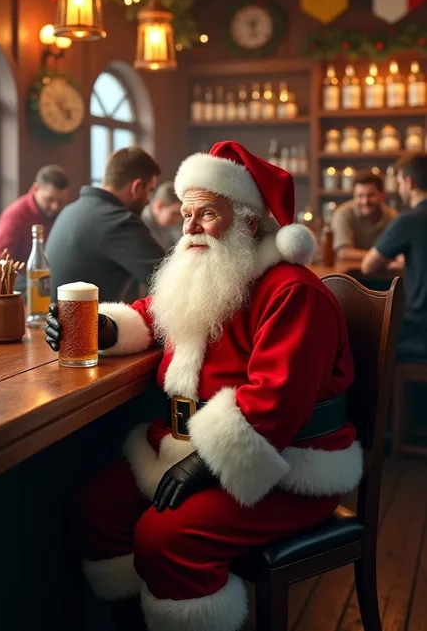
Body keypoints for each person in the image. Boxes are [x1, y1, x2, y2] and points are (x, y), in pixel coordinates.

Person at [45, 141, 362, 631]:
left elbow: (276, 402)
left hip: (289, 464)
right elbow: (153, 317)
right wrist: (103, 329)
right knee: (95, 509)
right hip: (189, 447)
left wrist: (206, 461)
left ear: (250, 222)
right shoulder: (211, 269)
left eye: (206, 214)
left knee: (164, 538)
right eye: (187, 213)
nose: (188, 228)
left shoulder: (293, 292)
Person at [46, 147, 165, 303]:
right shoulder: (119, 221)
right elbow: (171, 279)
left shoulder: (71, 210)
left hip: (53, 323)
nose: (149, 200)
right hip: (85, 325)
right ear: (136, 187)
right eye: (149, 190)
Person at [362, 153, 427, 359]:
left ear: (409, 183)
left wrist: (393, 260)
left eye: (399, 183)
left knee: (362, 339)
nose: (399, 190)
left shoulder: (408, 220)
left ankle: (387, 392)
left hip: (419, 330)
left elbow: (368, 266)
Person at [0, 165, 70, 292]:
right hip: (22, 282)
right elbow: (0, 261)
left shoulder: (64, 213)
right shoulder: (14, 216)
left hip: (53, 279)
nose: (55, 206)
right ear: (36, 188)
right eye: (49, 199)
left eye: (61, 201)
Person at [331, 170, 397, 260]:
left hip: (383, 272)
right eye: (360, 196)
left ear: (382, 195)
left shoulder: (392, 216)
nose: (365, 201)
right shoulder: (343, 214)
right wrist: (381, 256)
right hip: (348, 272)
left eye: (370, 195)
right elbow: (343, 252)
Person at [141, 181, 182, 250]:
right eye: (174, 213)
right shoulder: (140, 225)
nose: (178, 220)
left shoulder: (168, 225)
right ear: (159, 206)